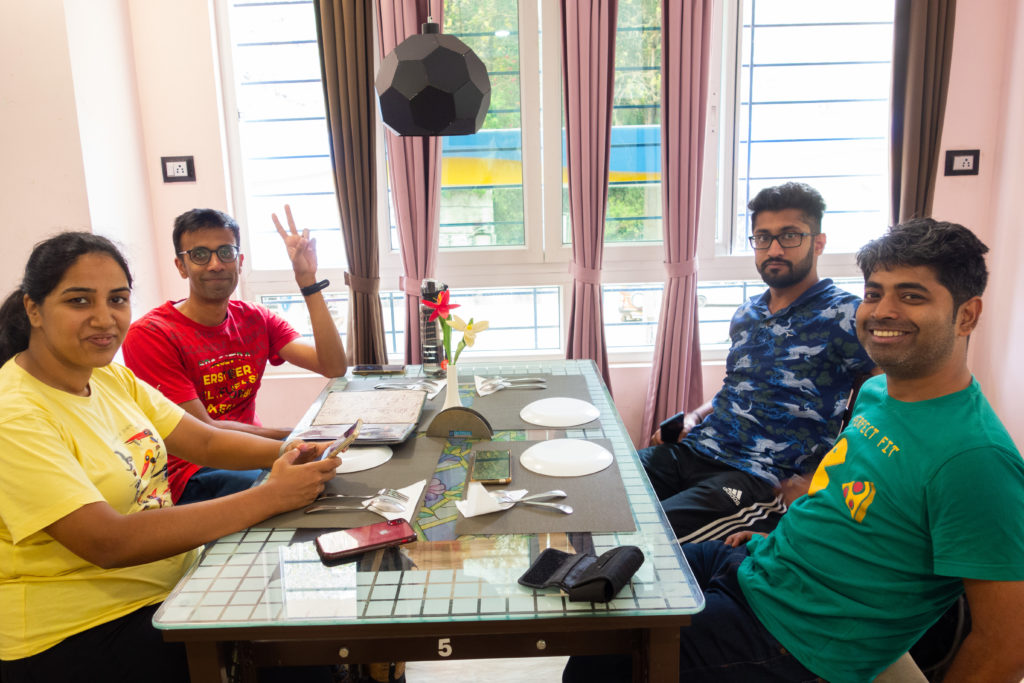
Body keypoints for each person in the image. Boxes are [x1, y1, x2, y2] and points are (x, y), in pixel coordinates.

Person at [565, 218, 1024, 682]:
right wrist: (781, 538)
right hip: (758, 565)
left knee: (598, 666)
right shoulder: (878, 394)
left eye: (911, 296)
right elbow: (847, 505)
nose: (883, 310)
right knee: (606, 596)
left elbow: (1006, 646)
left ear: (966, 315)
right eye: (874, 293)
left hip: (796, 637)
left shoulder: (975, 461)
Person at [0, 232, 342, 683]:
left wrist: (298, 452)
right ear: (33, 310)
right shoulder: (14, 413)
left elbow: (204, 442)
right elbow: (108, 542)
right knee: (296, 655)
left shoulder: (109, 379)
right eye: (79, 301)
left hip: (169, 583)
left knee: (316, 618)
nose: (104, 319)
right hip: (81, 628)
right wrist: (271, 496)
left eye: (117, 299)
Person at [642, 182, 875, 542]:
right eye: (763, 238)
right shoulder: (748, 313)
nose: (775, 249)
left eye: (790, 236)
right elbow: (736, 388)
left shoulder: (847, 315)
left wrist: (825, 477)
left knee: (648, 534)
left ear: (819, 242)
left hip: (755, 480)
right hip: (695, 449)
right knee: (608, 484)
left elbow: (878, 408)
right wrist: (694, 417)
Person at [122, 206, 347, 504]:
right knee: (313, 490)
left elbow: (333, 366)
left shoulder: (255, 318)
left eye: (225, 252)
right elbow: (204, 432)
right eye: (200, 255)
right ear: (181, 266)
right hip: (190, 472)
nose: (216, 264)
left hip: (250, 454)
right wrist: (296, 435)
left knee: (338, 477)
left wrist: (307, 281)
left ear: (239, 262)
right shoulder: (152, 334)